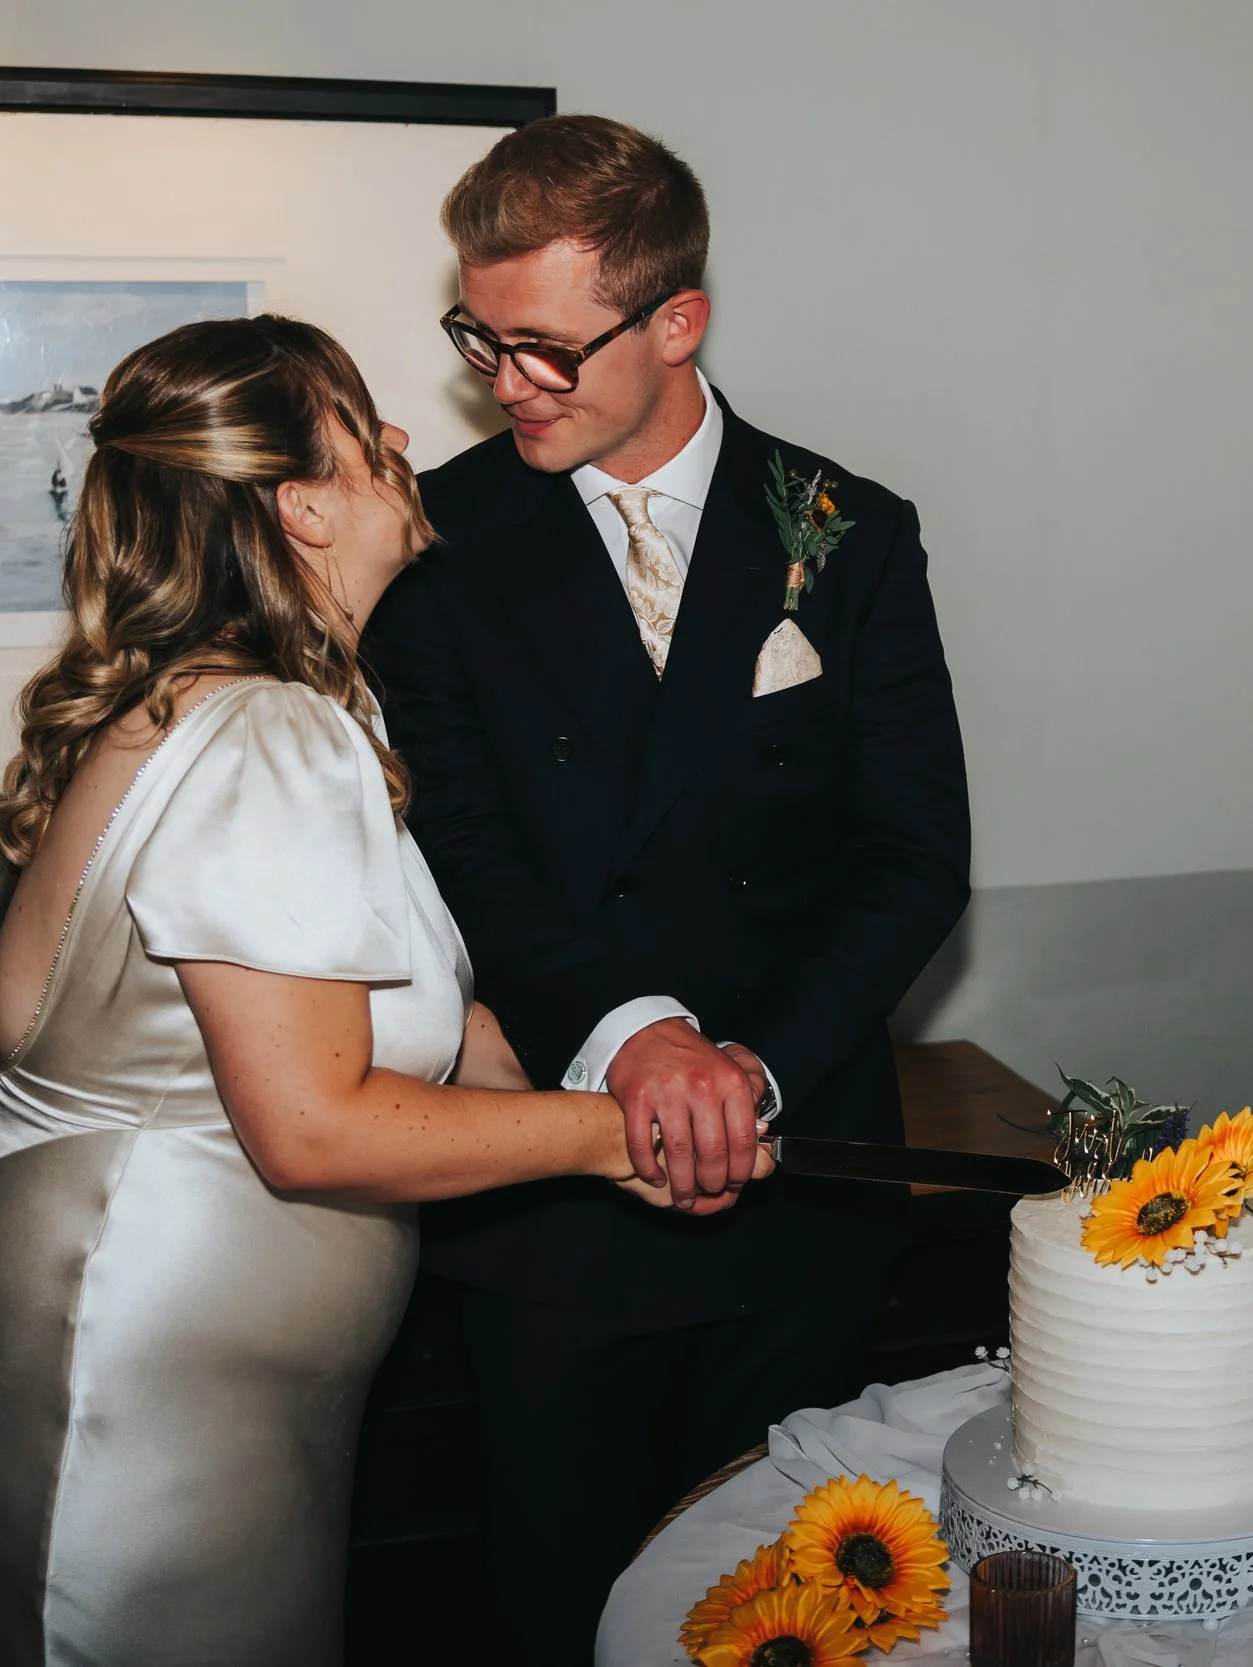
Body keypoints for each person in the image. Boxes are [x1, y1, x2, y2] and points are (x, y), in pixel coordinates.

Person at [0, 315, 763, 1666]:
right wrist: (613, 1136)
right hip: (142, 1367)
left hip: (86, 1328)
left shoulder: (199, 708)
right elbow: (311, 1123)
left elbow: (429, 1032)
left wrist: (639, 1092)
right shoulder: (271, 732)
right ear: (303, 502)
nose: (398, 441)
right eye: (363, 424)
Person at [364, 114, 971, 1655]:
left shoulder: (849, 532)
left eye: (546, 350)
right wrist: (634, 1035)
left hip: (800, 1179)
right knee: (557, 1608)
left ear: (676, 321)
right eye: (481, 341)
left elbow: (918, 854)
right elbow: (460, 846)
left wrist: (751, 1064)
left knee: (805, 1611)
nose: (505, 385)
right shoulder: (433, 547)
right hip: (553, 1197)